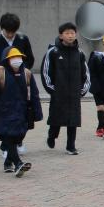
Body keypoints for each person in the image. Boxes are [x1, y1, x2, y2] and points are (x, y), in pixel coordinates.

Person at [0, 47, 43, 177]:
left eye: (19, 57)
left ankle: (8, 162)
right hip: (4, 114)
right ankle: (18, 163)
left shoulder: (27, 74)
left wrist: (37, 113)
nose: (17, 60)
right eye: (13, 57)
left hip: (22, 113)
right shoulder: (1, 74)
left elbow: (34, 95)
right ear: (7, 60)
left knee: (18, 137)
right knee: (10, 137)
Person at [0, 12, 35, 156]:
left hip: (20, 83)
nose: (11, 35)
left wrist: (22, 70)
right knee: (4, 114)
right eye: (8, 32)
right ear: (2, 28)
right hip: (2, 83)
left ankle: (19, 141)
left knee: (21, 113)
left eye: (13, 32)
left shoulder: (23, 39)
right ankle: (5, 145)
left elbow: (30, 59)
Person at [41, 22, 90, 155]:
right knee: (56, 119)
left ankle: (70, 146)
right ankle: (52, 136)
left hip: (74, 94)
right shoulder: (53, 52)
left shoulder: (79, 53)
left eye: (72, 33)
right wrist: (53, 90)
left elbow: (86, 74)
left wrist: (82, 91)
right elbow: (45, 73)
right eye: (67, 33)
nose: (70, 36)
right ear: (61, 35)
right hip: (58, 94)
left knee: (73, 121)